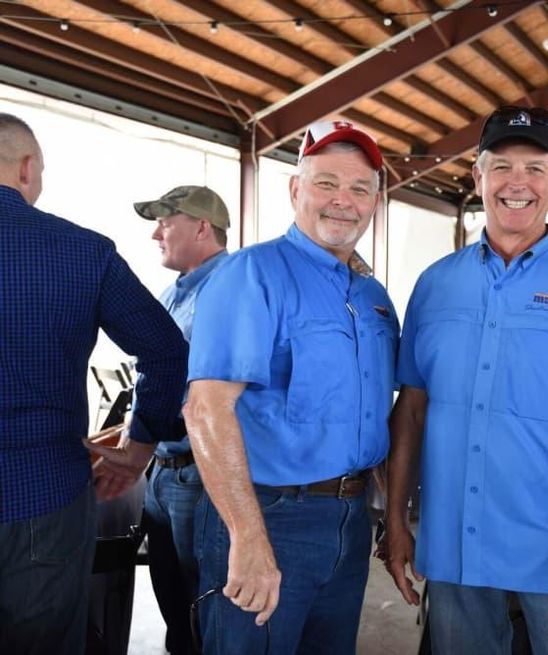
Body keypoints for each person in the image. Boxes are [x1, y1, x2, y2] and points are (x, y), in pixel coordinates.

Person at [384, 105, 548, 655]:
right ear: (477, 177)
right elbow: (410, 413)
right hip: (455, 548)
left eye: (534, 168)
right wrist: (396, 519)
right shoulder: (434, 286)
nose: (516, 183)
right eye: (501, 166)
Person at [183, 120, 398, 655]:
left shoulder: (372, 295)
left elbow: (373, 411)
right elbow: (206, 410)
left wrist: (389, 512)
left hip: (349, 522)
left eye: (359, 188)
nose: (342, 201)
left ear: (375, 201)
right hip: (270, 516)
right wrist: (248, 538)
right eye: (326, 183)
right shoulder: (253, 275)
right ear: (295, 189)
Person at [0, 113, 188, 654]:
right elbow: (165, 350)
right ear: (28, 168)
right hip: (45, 500)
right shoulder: (85, 253)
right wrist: (137, 447)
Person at [132, 185, 230, 654]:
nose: (156, 234)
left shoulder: (232, 288)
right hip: (162, 470)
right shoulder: (175, 292)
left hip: (200, 471)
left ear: (202, 227)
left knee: (205, 603)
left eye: (165, 222)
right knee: (171, 599)